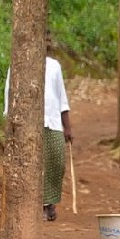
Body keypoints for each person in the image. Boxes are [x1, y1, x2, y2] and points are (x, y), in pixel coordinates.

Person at [42, 50, 72, 221]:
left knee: (56, 163)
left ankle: (51, 202)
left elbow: (61, 97)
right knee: (36, 167)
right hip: (30, 124)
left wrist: (67, 126)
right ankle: (41, 206)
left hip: (52, 122)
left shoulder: (54, 66)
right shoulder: (16, 63)